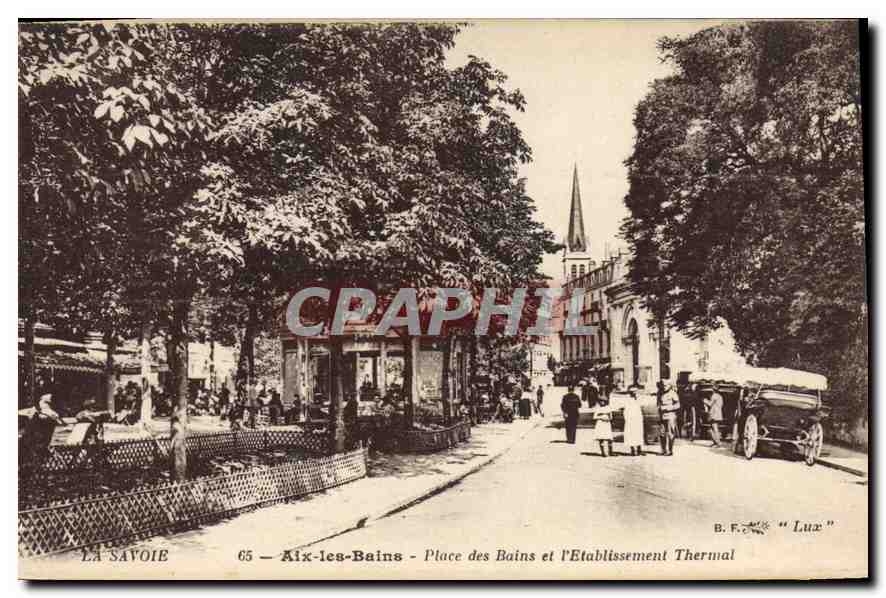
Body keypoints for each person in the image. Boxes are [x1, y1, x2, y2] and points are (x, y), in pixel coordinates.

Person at [657, 380, 681, 456]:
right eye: (663, 386)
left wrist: (668, 408)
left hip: (670, 416)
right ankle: (663, 450)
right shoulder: (660, 393)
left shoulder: (673, 394)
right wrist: (659, 408)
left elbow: (678, 405)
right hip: (662, 416)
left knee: (671, 434)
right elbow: (658, 403)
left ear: (670, 386)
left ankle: (670, 450)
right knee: (662, 434)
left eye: (666, 386)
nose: (664, 387)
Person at [623, 389, 645, 456]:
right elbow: (626, 411)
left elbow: (641, 408)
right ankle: (633, 450)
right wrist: (627, 419)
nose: (635, 394)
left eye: (636, 392)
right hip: (631, 420)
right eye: (633, 393)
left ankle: (639, 449)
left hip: (638, 419)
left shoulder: (638, 400)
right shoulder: (628, 401)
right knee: (631, 434)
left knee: (639, 434)